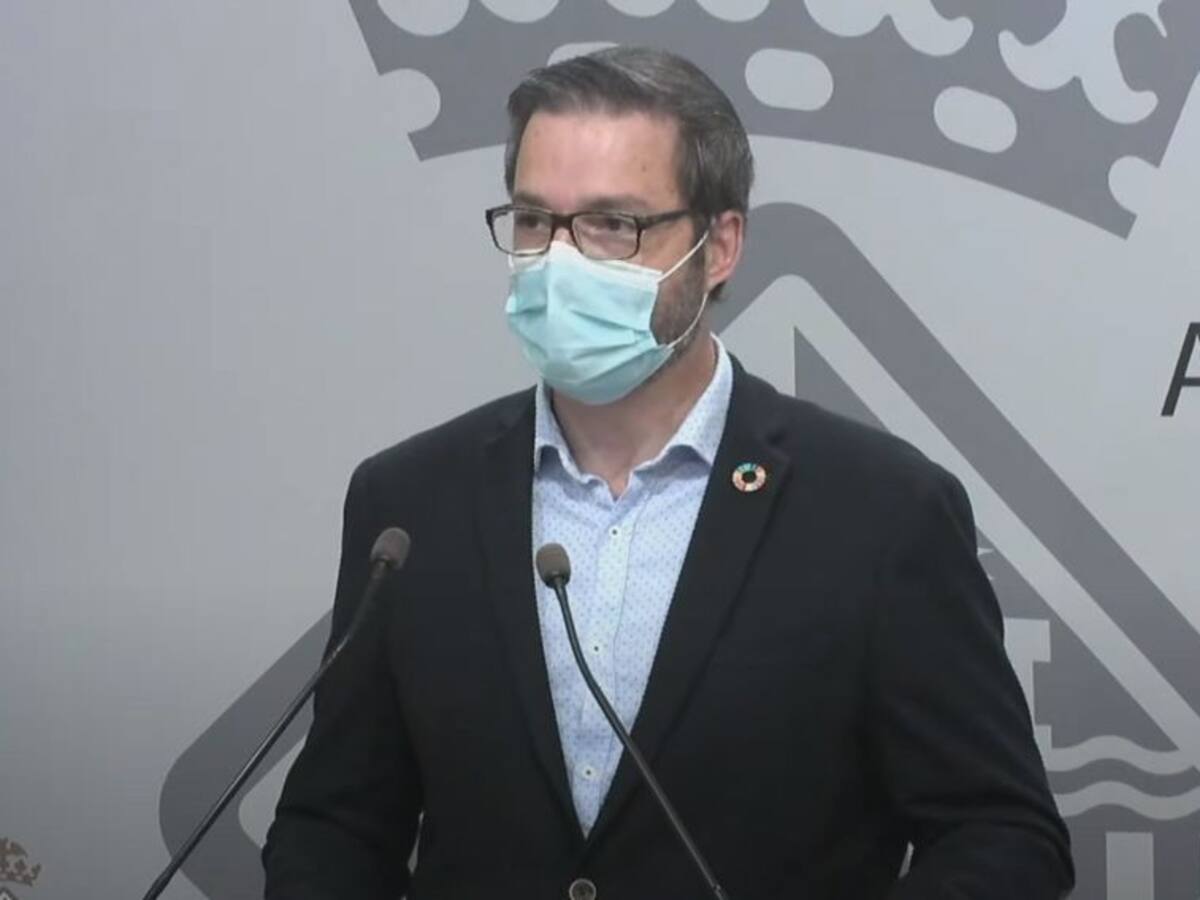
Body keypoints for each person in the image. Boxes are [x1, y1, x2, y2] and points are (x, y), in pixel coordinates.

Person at [262, 46, 1074, 899]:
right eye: (535, 221)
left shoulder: (882, 512)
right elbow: (336, 826)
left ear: (719, 247)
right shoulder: (408, 504)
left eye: (614, 225)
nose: (561, 262)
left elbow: (1001, 836)